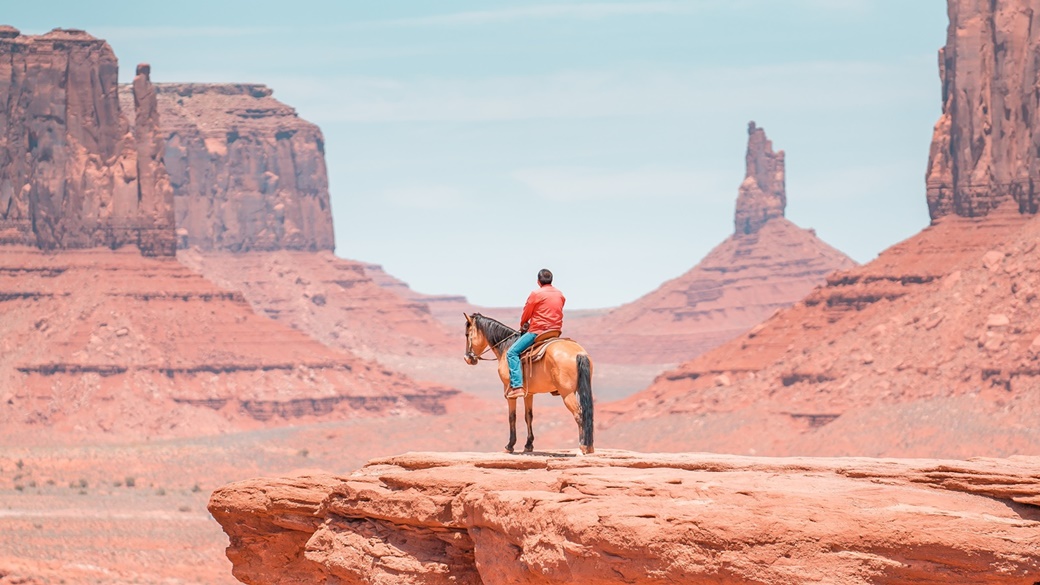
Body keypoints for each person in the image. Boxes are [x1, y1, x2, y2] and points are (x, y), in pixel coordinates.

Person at [505, 268, 565, 399]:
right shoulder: (560, 294)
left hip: (538, 331)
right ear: (551, 280)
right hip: (555, 331)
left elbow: (527, 311)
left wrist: (523, 323)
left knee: (512, 353)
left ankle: (517, 386)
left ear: (538, 281)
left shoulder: (536, 294)